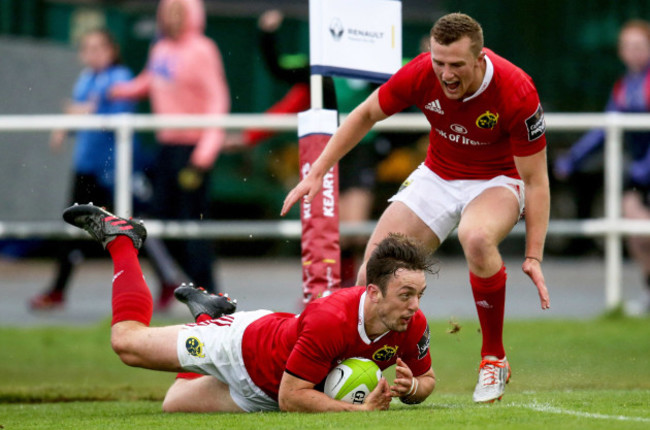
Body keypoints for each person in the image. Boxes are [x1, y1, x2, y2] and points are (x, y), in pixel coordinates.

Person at [282, 12, 551, 403]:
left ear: (480, 59)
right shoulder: (422, 71)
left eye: (456, 65)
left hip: (499, 179)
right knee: (370, 272)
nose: (445, 74)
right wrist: (317, 172)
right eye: (439, 62)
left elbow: (536, 181)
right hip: (439, 174)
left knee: (475, 237)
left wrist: (534, 255)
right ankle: (358, 375)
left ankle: (493, 357)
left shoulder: (516, 91)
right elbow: (367, 113)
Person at [61, 203, 436, 413]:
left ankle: (210, 313)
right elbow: (293, 398)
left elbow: (428, 381)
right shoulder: (332, 319)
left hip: (266, 393)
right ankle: (122, 239)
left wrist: (413, 386)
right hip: (244, 349)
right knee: (128, 344)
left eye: (419, 294)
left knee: (173, 406)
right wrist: (360, 414)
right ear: (372, 292)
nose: (414, 306)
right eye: (405, 294)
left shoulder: (412, 323)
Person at [228, 9, 383, 286]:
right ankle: (330, 292)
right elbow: (277, 69)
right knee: (333, 230)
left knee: (355, 232)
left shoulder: (373, 66)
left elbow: (409, 74)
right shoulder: (317, 69)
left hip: (359, 152)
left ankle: (349, 295)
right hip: (325, 153)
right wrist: (267, 34)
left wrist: (428, 54)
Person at [110, 0, 230, 301]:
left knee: (193, 225)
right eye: (169, 12)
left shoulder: (203, 49)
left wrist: (204, 154)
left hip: (193, 150)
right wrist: (110, 91)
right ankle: (185, 283)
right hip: (166, 147)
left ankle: (212, 294)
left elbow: (218, 101)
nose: (173, 18)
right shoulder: (160, 49)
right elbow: (147, 82)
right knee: (156, 220)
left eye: (180, 11)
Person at [28, 29, 140, 310]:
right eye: (87, 48)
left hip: (114, 171)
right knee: (73, 225)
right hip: (86, 169)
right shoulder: (86, 78)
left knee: (131, 228)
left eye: (99, 47)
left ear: (112, 50)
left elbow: (112, 118)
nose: (93, 54)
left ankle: (166, 281)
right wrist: (65, 126)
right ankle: (57, 291)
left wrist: (84, 112)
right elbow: (78, 114)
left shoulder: (121, 77)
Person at [554, 19, 650, 313]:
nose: (633, 52)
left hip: (644, 170)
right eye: (627, 46)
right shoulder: (624, 87)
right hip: (640, 174)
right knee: (635, 230)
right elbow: (605, 129)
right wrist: (574, 158)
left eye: (639, 46)